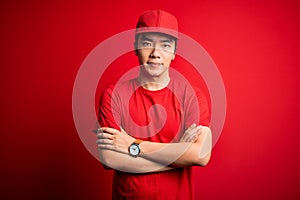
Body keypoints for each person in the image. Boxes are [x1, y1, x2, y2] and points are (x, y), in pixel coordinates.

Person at [96, 10, 212, 200]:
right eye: (147, 43)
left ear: (174, 52)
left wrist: (133, 145)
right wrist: (178, 153)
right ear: (135, 47)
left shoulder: (192, 96)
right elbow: (110, 159)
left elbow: (200, 155)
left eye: (165, 45)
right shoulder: (113, 95)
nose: (156, 54)